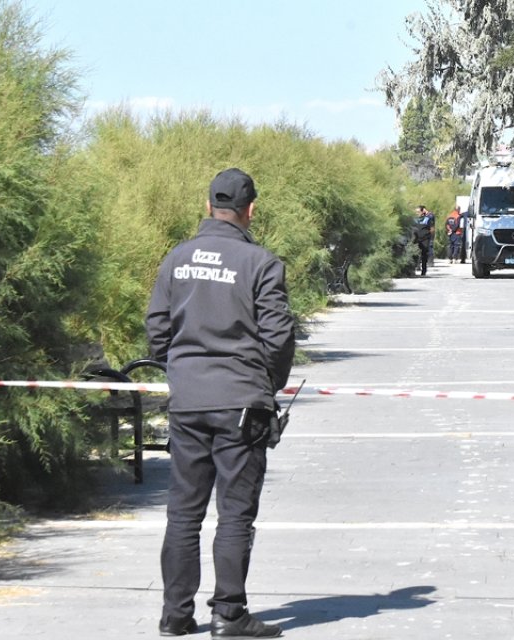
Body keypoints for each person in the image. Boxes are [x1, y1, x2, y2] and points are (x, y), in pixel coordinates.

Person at [146, 168, 295, 639]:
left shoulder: (176, 259)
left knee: (183, 512)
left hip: (188, 403)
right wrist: (267, 385)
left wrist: (181, 372)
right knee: (234, 512)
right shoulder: (260, 262)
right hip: (241, 404)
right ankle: (229, 615)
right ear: (250, 210)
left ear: (208, 206)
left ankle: (175, 616)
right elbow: (278, 336)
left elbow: (157, 330)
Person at [414, 205, 435, 276]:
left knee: (424, 255)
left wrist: (431, 238)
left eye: (418, 212)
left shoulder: (427, 219)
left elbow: (432, 229)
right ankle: (415, 268)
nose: (417, 213)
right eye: (416, 212)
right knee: (415, 254)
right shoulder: (414, 219)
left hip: (425, 239)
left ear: (422, 212)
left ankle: (424, 270)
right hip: (416, 239)